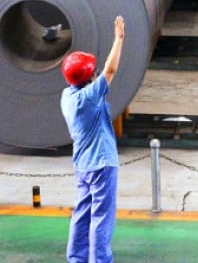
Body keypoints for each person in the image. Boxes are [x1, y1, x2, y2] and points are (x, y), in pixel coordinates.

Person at [60, 15, 126, 263]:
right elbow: (110, 70)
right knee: (101, 218)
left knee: (82, 213)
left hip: (83, 164)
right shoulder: (89, 97)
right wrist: (118, 40)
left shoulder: (67, 96)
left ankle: (76, 258)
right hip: (102, 164)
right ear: (88, 77)